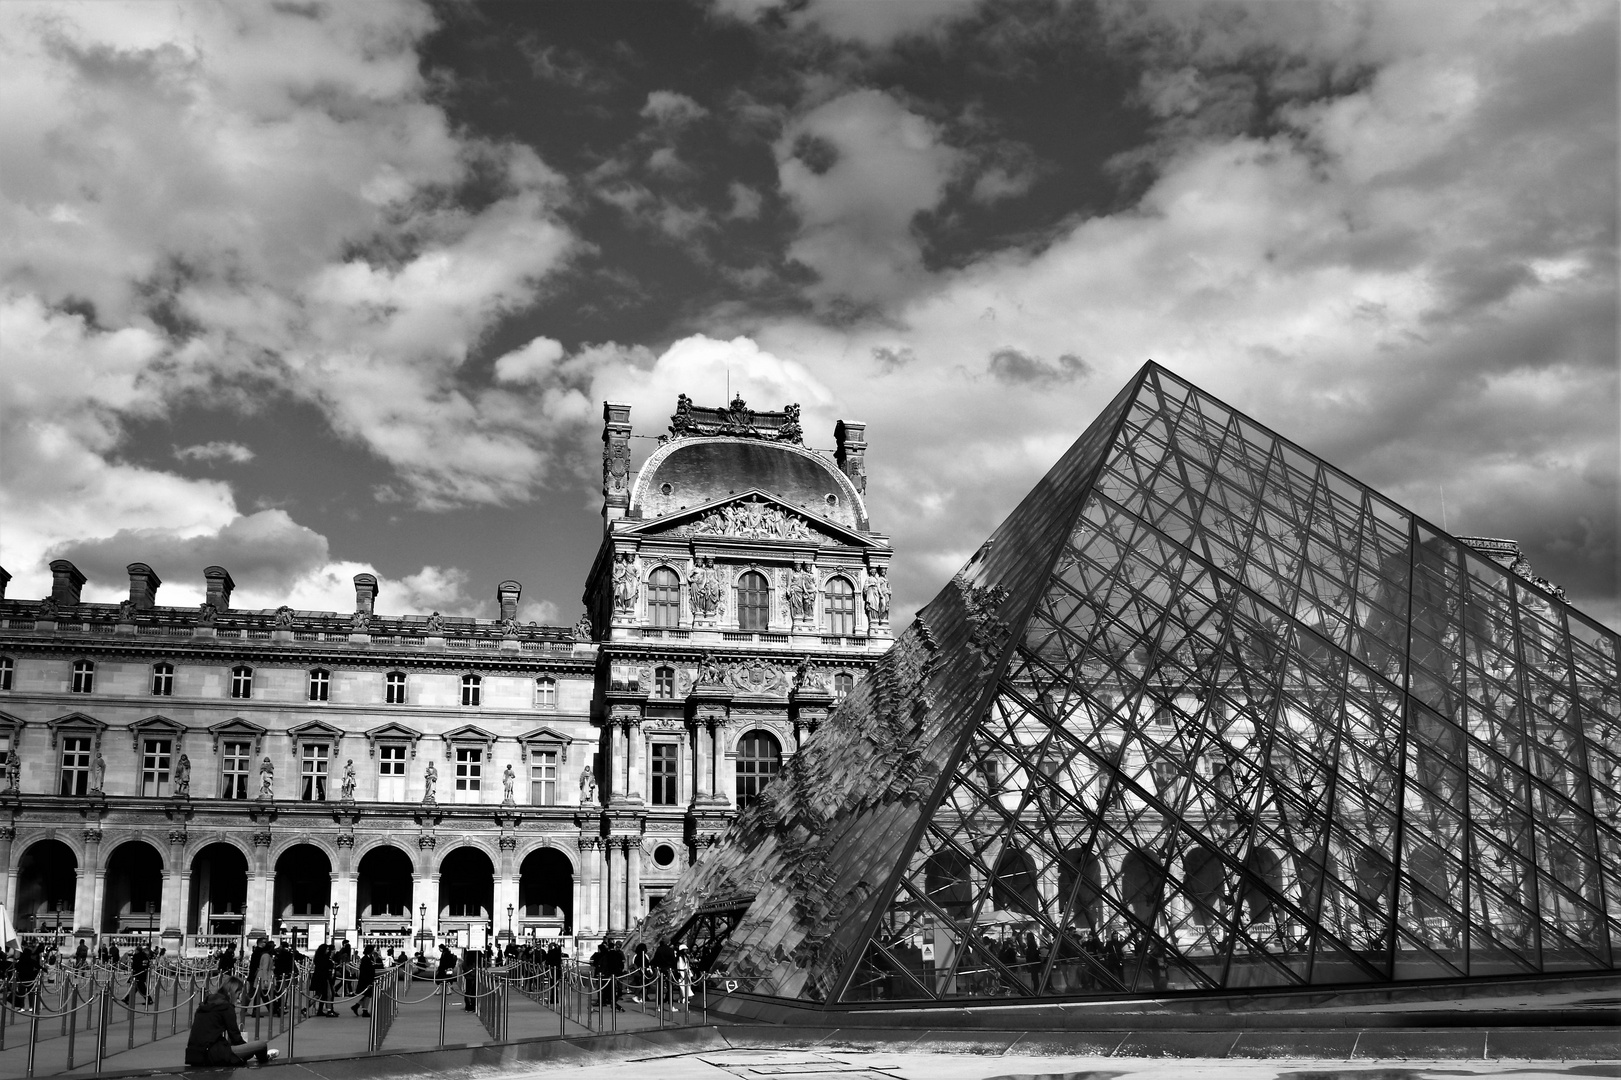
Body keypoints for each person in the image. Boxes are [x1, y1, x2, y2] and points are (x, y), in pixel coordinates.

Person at [184, 975, 278, 1067]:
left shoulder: (206, 1003)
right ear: (231, 993)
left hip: (193, 1054)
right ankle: (264, 1060)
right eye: (238, 994)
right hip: (211, 1054)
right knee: (261, 1045)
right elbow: (235, 1037)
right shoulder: (226, 1007)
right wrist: (249, 1051)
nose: (239, 999)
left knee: (239, 1048)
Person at [308, 944, 336, 1017]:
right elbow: (328, 966)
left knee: (322, 995)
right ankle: (306, 1008)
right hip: (322, 978)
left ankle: (320, 1010)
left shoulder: (318, 957)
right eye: (326, 949)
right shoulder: (323, 958)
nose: (328, 951)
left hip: (319, 977)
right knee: (321, 994)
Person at [651, 939, 677, 1009]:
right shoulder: (670, 950)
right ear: (668, 942)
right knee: (670, 987)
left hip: (661, 969)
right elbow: (673, 960)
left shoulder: (659, 949)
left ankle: (659, 1005)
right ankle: (671, 1005)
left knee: (660, 988)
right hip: (669, 969)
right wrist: (675, 969)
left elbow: (655, 959)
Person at [352, 946, 377, 1017]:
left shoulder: (369, 958)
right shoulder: (366, 959)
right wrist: (369, 981)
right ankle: (364, 1010)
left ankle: (357, 1006)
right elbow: (366, 971)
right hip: (366, 980)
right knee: (368, 995)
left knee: (368, 995)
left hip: (367, 979)